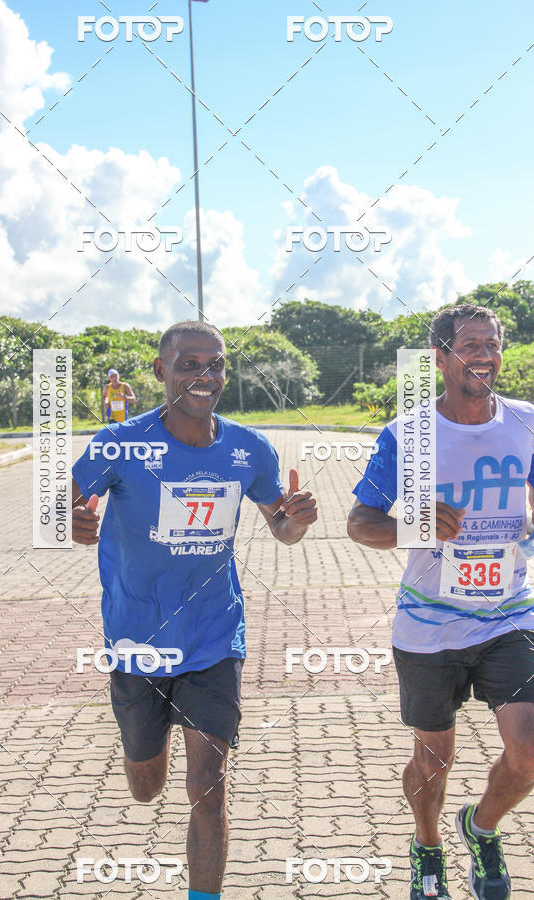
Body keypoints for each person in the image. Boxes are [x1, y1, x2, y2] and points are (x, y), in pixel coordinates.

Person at [71, 321, 318, 900]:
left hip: (214, 636)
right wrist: (72, 523)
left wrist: (295, 522)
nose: (203, 375)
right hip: (137, 639)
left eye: (215, 364)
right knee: (146, 785)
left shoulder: (248, 448)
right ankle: (144, 750)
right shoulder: (119, 444)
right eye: (188, 364)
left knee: (209, 784)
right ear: (160, 371)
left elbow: (278, 524)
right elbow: (64, 509)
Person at [347, 305, 534, 900]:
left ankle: (480, 829)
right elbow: (360, 523)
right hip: (430, 627)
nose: (484, 354)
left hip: (512, 615)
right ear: (440, 359)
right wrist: (417, 525)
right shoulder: (409, 435)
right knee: (433, 761)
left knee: (529, 750)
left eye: (493, 344)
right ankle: (427, 846)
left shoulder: (528, 422)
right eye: (470, 344)